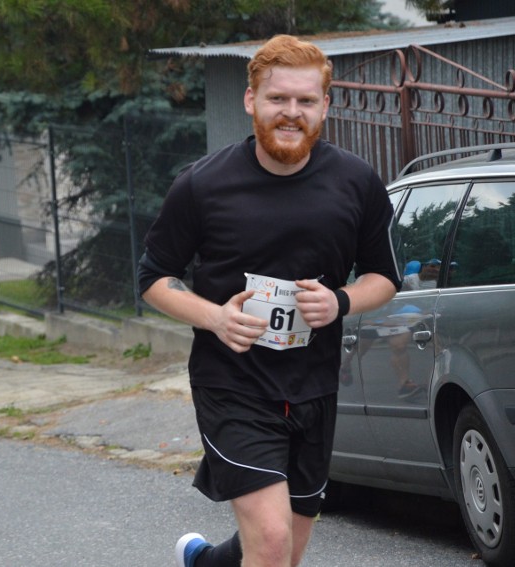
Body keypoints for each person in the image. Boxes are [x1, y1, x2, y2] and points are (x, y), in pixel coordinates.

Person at [137, 35, 401, 567]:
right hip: (232, 384)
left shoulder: (357, 182)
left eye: (305, 101)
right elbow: (153, 278)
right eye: (278, 98)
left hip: (314, 387)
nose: (291, 113)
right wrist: (215, 317)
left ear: (325, 106)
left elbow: (385, 277)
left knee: (283, 548)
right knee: (274, 540)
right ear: (250, 100)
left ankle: (206, 562)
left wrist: (341, 302)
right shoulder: (202, 185)